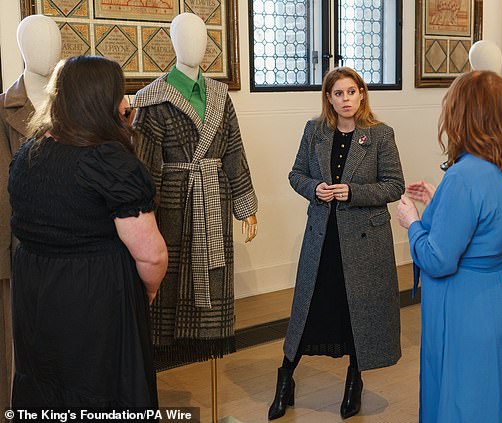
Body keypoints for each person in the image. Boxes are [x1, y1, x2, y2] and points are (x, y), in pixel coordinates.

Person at [8, 56, 168, 408]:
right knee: (101, 393)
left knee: (49, 385)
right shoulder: (110, 161)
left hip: (37, 295)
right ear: (99, 100)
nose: (127, 104)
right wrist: (146, 294)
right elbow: (151, 254)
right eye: (119, 94)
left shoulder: (28, 154)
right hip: (95, 296)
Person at [397, 70, 502, 423]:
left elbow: (439, 259)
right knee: (499, 398)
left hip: (468, 305)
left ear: (463, 115)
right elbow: (487, 225)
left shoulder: (464, 174)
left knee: (465, 401)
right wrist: (437, 199)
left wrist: (412, 222)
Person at [269, 67, 404, 420]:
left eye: (351, 92)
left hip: (364, 244)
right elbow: (295, 174)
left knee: (355, 312)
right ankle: (285, 377)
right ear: (328, 98)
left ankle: (354, 382)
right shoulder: (314, 131)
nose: (345, 99)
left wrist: (353, 192)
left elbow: (394, 186)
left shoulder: (380, 135)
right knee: (309, 309)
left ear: (362, 94)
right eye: (338, 93)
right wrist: (314, 188)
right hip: (323, 239)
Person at [133, 13, 258, 369]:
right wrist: (144, 222)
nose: (196, 45)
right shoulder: (151, 98)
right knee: (170, 283)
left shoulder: (219, 95)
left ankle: (209, 340)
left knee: (213, 284)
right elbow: (144, 169)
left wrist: (245, 204)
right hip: (172, 205)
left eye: (202, 37)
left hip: (213, 199)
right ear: (173, 43)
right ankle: (170, 352)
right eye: (186, 37)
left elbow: (233, 150)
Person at [0, 15, 61, 414]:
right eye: (37, 41)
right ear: (21, 48)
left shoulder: (75, 106)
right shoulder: (7, 109)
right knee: (24, 346)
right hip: (23, 246)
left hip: (74, 245)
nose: (48, 49)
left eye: (54, 40)